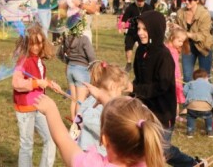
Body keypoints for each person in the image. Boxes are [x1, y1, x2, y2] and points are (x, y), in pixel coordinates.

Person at [133, 10, 202, 166]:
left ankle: (192, 164)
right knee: (146, 149)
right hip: (144, 111)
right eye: (139, 29)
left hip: (162, 113)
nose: (141, 33)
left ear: (155, 29)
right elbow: (139, 79)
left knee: (162, 150)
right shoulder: (140, 51)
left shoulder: (164, 55)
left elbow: (162, 86)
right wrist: (131, 92)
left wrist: (135, 89)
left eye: (145, 29)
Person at [34, 95, 167, 167]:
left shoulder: (91, 164)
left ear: (104, 139)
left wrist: (50, 109)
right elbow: (127, 120)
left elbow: (63, 140)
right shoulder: (152, 161)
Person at [11, 24, 59, 167]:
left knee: (51, 139)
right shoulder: (23, 61)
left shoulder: (39, 61)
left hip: (39, 106)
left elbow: (40, 80)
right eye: (33, 44)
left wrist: (50, 83)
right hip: (25, 108)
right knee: (27, 145)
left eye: (39, 43)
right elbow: (16, 83)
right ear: (27, 44)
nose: (36, 47)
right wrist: (36, 83)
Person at [73, 62, 130, 156]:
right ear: (113, 86)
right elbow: (86, 118)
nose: (120, 94)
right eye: (120, 90)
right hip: (91, 153)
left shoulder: (92, 99)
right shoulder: (97, 102)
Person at [175, 0, 213, 82]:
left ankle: (206, 96)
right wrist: (174, 27)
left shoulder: (204, 14)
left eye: (190, 0)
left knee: (204, 77)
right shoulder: (180, 12)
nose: (187, 2)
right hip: (187, 46)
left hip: (204, 46)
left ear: (197, 0)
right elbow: (176, 28)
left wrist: (186, 34)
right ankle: (188, 96)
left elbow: (203, 36)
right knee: (187, 77)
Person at [62, 16, 96, 121]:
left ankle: (73, 121)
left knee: (74, 99)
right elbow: (92, 57)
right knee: (81, 101)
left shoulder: (67, 39)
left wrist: (68, 61)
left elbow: (60, 54)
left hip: (70, 70)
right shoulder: (84, 39)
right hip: (81, 70)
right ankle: (77, 127)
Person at [183, 69, 213, 138]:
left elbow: (184, 91)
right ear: (206, 78)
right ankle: (210, 131)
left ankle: (190, 132)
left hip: (192, 105)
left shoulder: (190, 83)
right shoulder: (210, 85)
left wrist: (189, 98)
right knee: (208, 116)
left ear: (194, 78)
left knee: (190, 116)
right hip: (206, 106)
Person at [119, 0, 153, 72]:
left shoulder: (148, 8)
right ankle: (129, 63)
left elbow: (153, 19)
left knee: (145, 48)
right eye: (138, 1)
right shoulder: (131, 7)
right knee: (128, 46)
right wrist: (123, 24)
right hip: (132, 30)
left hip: (144, 32)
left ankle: (143, 63)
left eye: (141, 1)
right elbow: (124, 18)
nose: (140, 3)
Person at [165, 27, 188, 122]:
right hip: (169, 76)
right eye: (179, 41)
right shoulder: (166, 50)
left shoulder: (175, 49)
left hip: (176, 76)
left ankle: (175, 115)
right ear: (172, 38)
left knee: (176, 97)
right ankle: (168, 114)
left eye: (182, 41)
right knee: (169, 96)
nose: (181, 44)